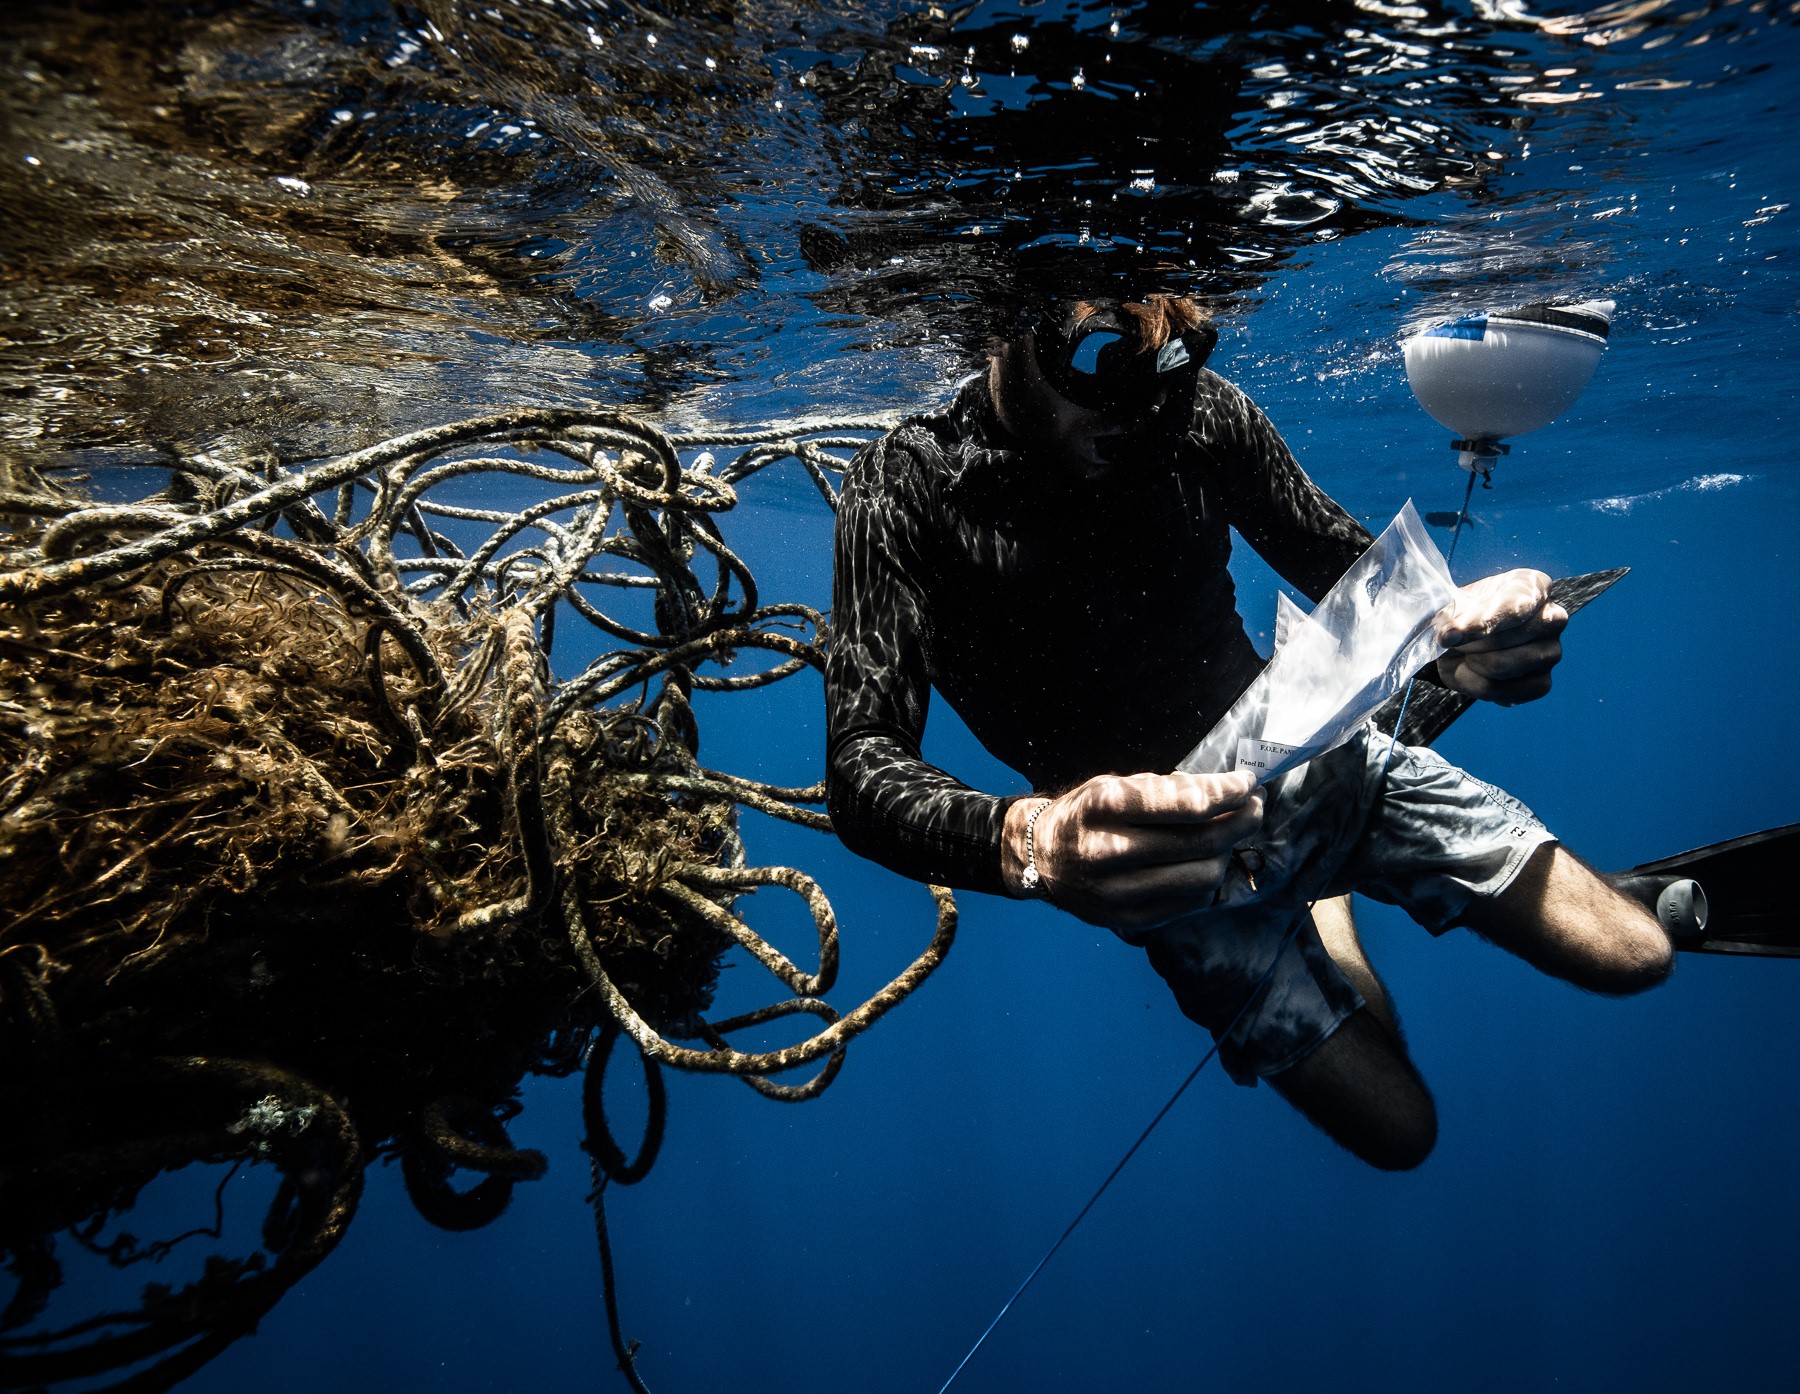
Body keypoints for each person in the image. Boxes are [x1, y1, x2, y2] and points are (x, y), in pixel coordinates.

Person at [824, 294, 1673, 1171]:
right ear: (1007, 325)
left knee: (1636, 958)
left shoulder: (1203, 412)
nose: (1139, 407)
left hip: (1321, 756)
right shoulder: (906, 483)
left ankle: (1330, 876)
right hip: (1173, 873)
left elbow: (1350, 571)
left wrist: (1459, 643)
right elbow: (859, 765)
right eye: (1103, 356)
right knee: (1401, 1135)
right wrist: (1029, 839)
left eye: (1172, 361)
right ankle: (1330, 900)